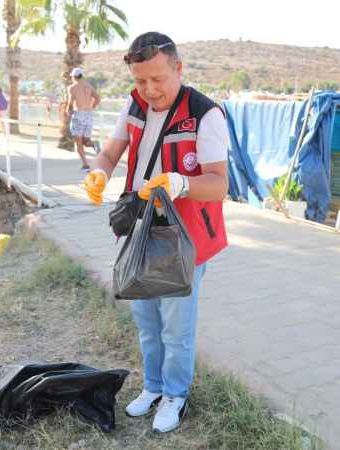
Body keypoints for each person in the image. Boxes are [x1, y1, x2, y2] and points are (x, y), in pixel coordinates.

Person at [82, 32, 230, 433]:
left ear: (178, 69)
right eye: (140, 81)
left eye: (157, 79)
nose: (149, 90)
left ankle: (176, 395)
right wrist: (99, 170)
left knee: (176, 328)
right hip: (140, 232)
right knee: (147, 320)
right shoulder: (134, 103)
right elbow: (111, 151)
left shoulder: (205, 114)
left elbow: (219, 184)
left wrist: (181, 183)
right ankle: (153, 386)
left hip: (184, 241)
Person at [67, 67, 101, 171]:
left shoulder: (72, 87)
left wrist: (68, 111)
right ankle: (95, 144)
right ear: (82, 76)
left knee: (78, 141)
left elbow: (70, 102)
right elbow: (98, 98)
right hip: (89, 114)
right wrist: (91, 108)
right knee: (86, 141)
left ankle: (85, 164)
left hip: (79, 115)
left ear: (74, 77)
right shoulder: (89, 87)